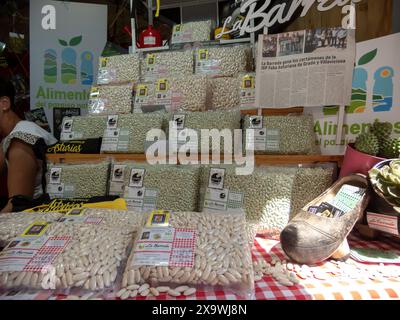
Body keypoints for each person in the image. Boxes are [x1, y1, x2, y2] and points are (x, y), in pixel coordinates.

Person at [0, 77, 57, 213]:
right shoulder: (15, 134)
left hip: (43, 220)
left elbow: (17, 207)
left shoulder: (20, 140)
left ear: (4, 103)